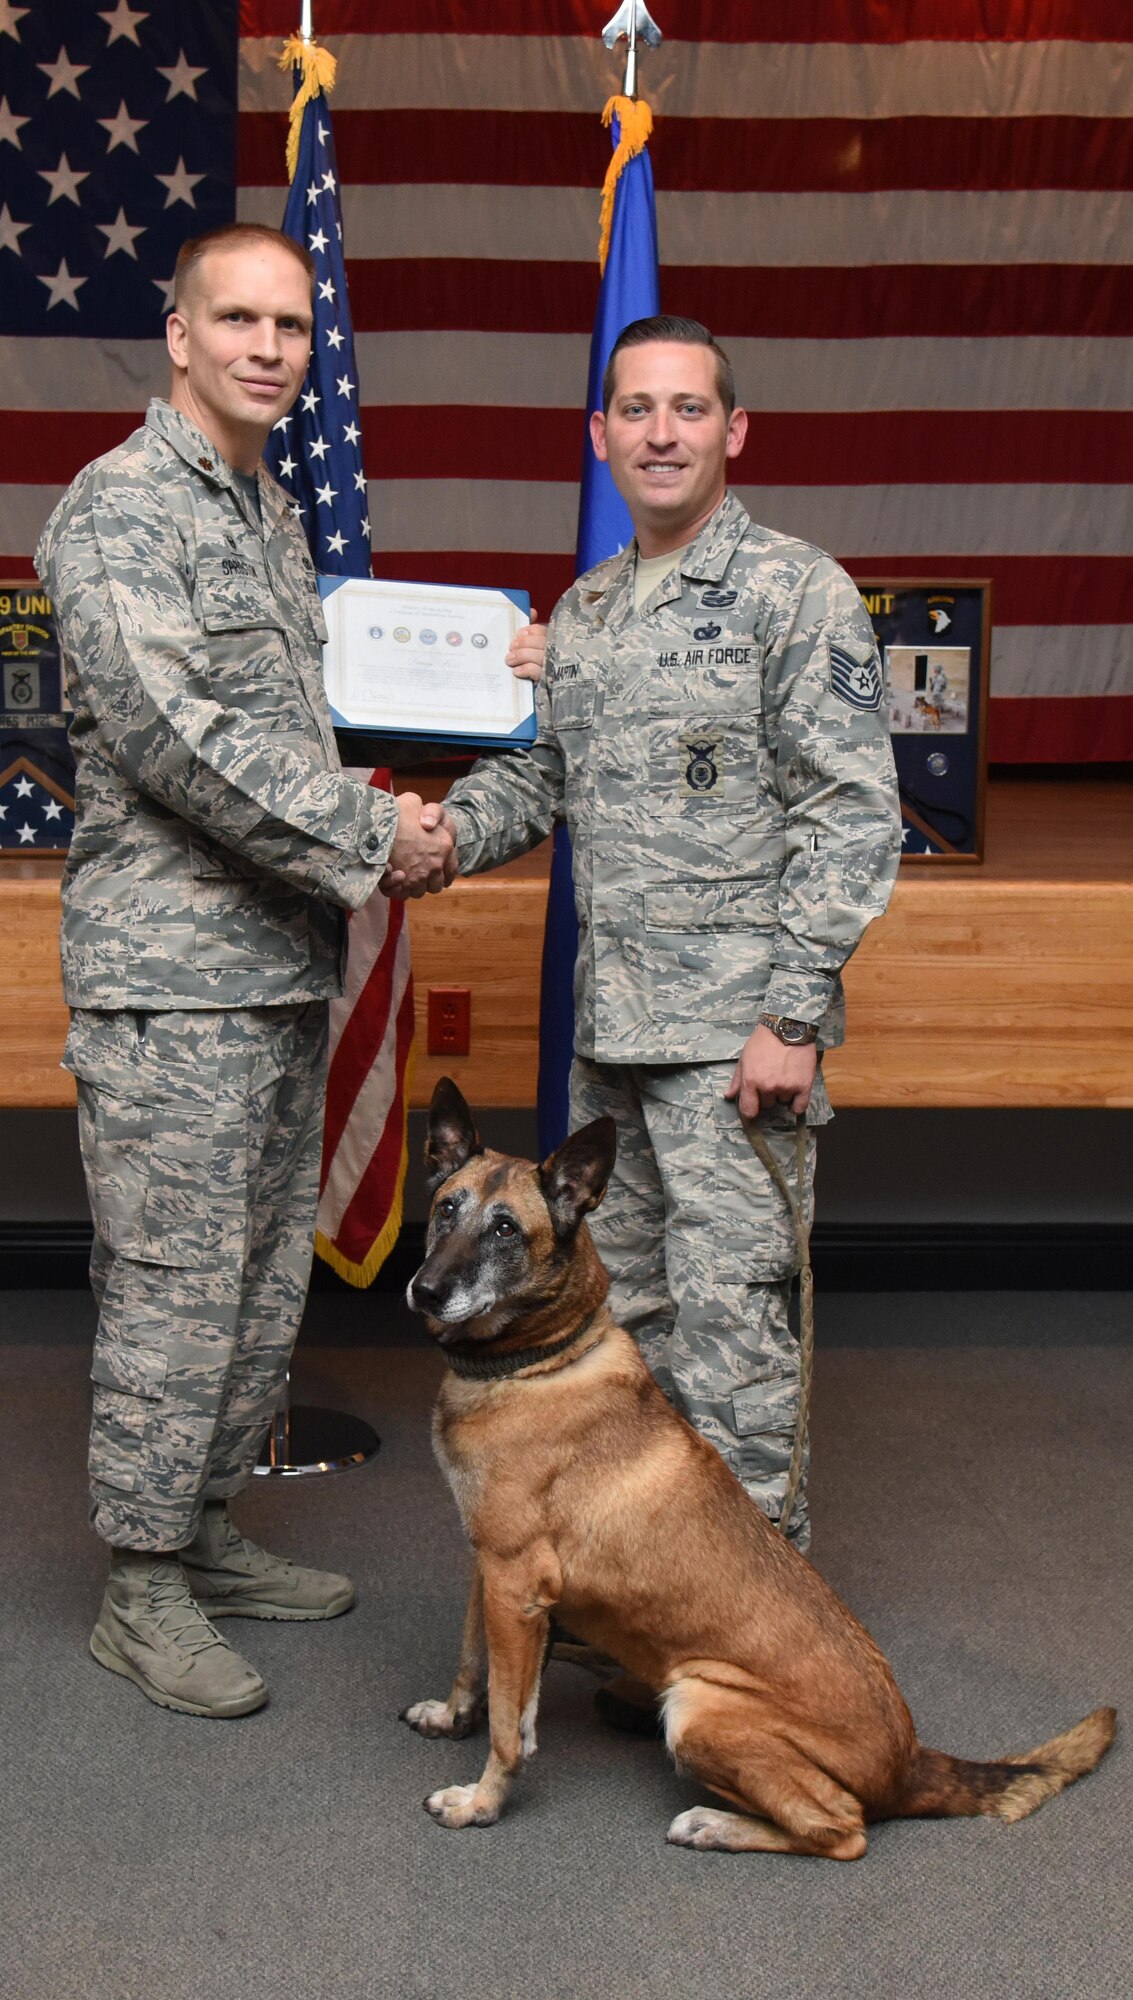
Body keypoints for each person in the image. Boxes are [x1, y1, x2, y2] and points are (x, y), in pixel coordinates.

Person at [389, 315, 900, 1557]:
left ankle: (753, 1615)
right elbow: (543, 778)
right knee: (623, 1333)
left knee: (737, 1336)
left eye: (685, 409)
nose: (658, 432)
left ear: (732, 432)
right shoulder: (592, 611)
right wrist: (441, 834)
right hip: (610, 1040)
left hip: (734, 1044)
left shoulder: (793, 589)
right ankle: (645, 1591)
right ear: (600, 434)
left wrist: (789, 1017)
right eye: (635, 410)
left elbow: (854, 813)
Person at [35, 223, 455, 1718]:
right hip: (171, 983)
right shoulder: (120, 511)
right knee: (170, 1286)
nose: (271, 348)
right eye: (241, 320)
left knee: (261, 1284)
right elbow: (175, 740)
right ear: (181, 335)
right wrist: (375, 831)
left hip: (275, 966)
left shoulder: (269, 513)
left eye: (292, 323)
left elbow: (294, 725)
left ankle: (205, 1531)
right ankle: (139, 1587)